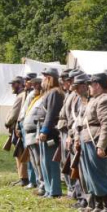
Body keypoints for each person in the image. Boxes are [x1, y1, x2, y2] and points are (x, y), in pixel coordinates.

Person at [78, 73, 107, 212]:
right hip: (89, 139)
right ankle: (98, 204)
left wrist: (102, 145)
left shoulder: (105, 100)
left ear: (97, 85)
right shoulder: (95, 100)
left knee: (100, 174)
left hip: (96, 140)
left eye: (90, 84)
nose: (88, 87)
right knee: (90, 175)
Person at [36, 67, 65, 198]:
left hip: (50, 131)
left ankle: (54, 190)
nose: (43, 80)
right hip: (43, 127)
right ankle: (48, 189)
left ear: (51, 78)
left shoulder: (55, 92)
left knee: (50, 161)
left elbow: (51, 114)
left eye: (45, 77)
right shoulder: (49, 93)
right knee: (44, 161)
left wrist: (44, 130)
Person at [65, 72, 88, 203]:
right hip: (75, 134)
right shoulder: (77, 98)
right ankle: (80, 196)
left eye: (78, 87)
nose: (76, 90)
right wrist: (71, 135)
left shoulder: (87, 100)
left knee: (82, 168)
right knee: (78, 167)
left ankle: (84, 198)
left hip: (83, 136)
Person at [22, 76, 45, 195]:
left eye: (37, 85)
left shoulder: (42, 98)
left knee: (38, 161)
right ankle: (39, 182)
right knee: (34, 160)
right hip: (29, 133)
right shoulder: (35, 98)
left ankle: (42, 184)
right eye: (34, 85)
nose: (34, 87)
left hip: (35, 133)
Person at [5, 76, 28, 186]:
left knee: (20, 153)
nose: (12, 86)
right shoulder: (21, 95)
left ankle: (24, 177)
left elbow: (14, 113)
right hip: (17, 127)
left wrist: (8, 122)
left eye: (14, 84)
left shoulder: (21, 96)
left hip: (18, 127)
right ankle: (22, 177)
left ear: (19, 84)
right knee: (18, 153)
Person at [18, 74, 39, 189]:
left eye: (28, 80)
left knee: (30, 155)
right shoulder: (30, 94)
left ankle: (33, 180)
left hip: (30, 126)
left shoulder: (33, 94)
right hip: (24, 124)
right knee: (29, 154)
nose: (26, 82)